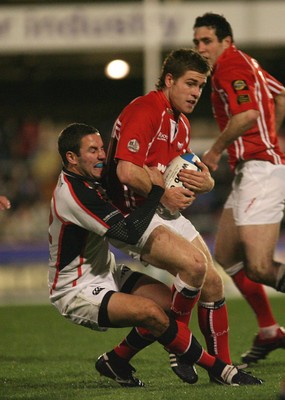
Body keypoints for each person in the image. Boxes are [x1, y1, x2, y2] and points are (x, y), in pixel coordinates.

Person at [48, 122, 262, 388]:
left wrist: (202, 181)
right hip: (76, 288)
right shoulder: (72, 194)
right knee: (151, 313)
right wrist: (159, 192)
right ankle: (220, 369)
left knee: (167, 305)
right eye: (93, 150)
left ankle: (116, 359)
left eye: (102, 148)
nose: (103, 155)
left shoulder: (92, 177)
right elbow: (128, 232)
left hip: (108, 271)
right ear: (71, 158)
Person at [103, 48, 246, 384]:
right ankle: (180, 347)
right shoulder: (145, 109)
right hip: (130, 215)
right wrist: (163, 192)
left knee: (212, 281)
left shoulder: (179, 123)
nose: (197, 93)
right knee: (194, 267)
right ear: (169, 80)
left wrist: (206, 181)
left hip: (158, 208)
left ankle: (221, 370)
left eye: (201, 86)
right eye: (191, 84)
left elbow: (178, 169)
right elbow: (126, 171)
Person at [193, 12, 285, 364]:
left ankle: (269, 329)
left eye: (207, 41)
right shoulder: (246, 62)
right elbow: (280, 96)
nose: (201, 48)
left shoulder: (229, 66)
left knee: (260, 267)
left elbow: (246, 115)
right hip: (254, 167)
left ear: (225, 42)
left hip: (262, 170)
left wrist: (215, 150)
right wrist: (271, 137)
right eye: (196, 41)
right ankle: (270, 330)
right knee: (228, 257)